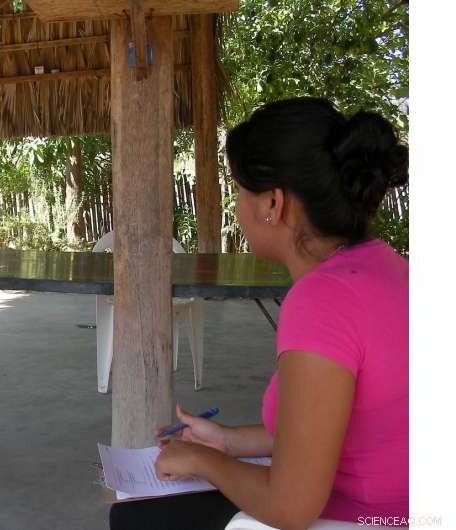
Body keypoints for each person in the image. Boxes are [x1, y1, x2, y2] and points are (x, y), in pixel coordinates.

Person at [109, 97, 408, 530]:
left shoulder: (323, 301)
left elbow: (290, 507)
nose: (236, 207)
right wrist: (228, 441)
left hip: (366, 518)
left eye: (239, 191)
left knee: (135, 516)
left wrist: (203, 460)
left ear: (272, 203)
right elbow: (332, 427)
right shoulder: (389, 267)